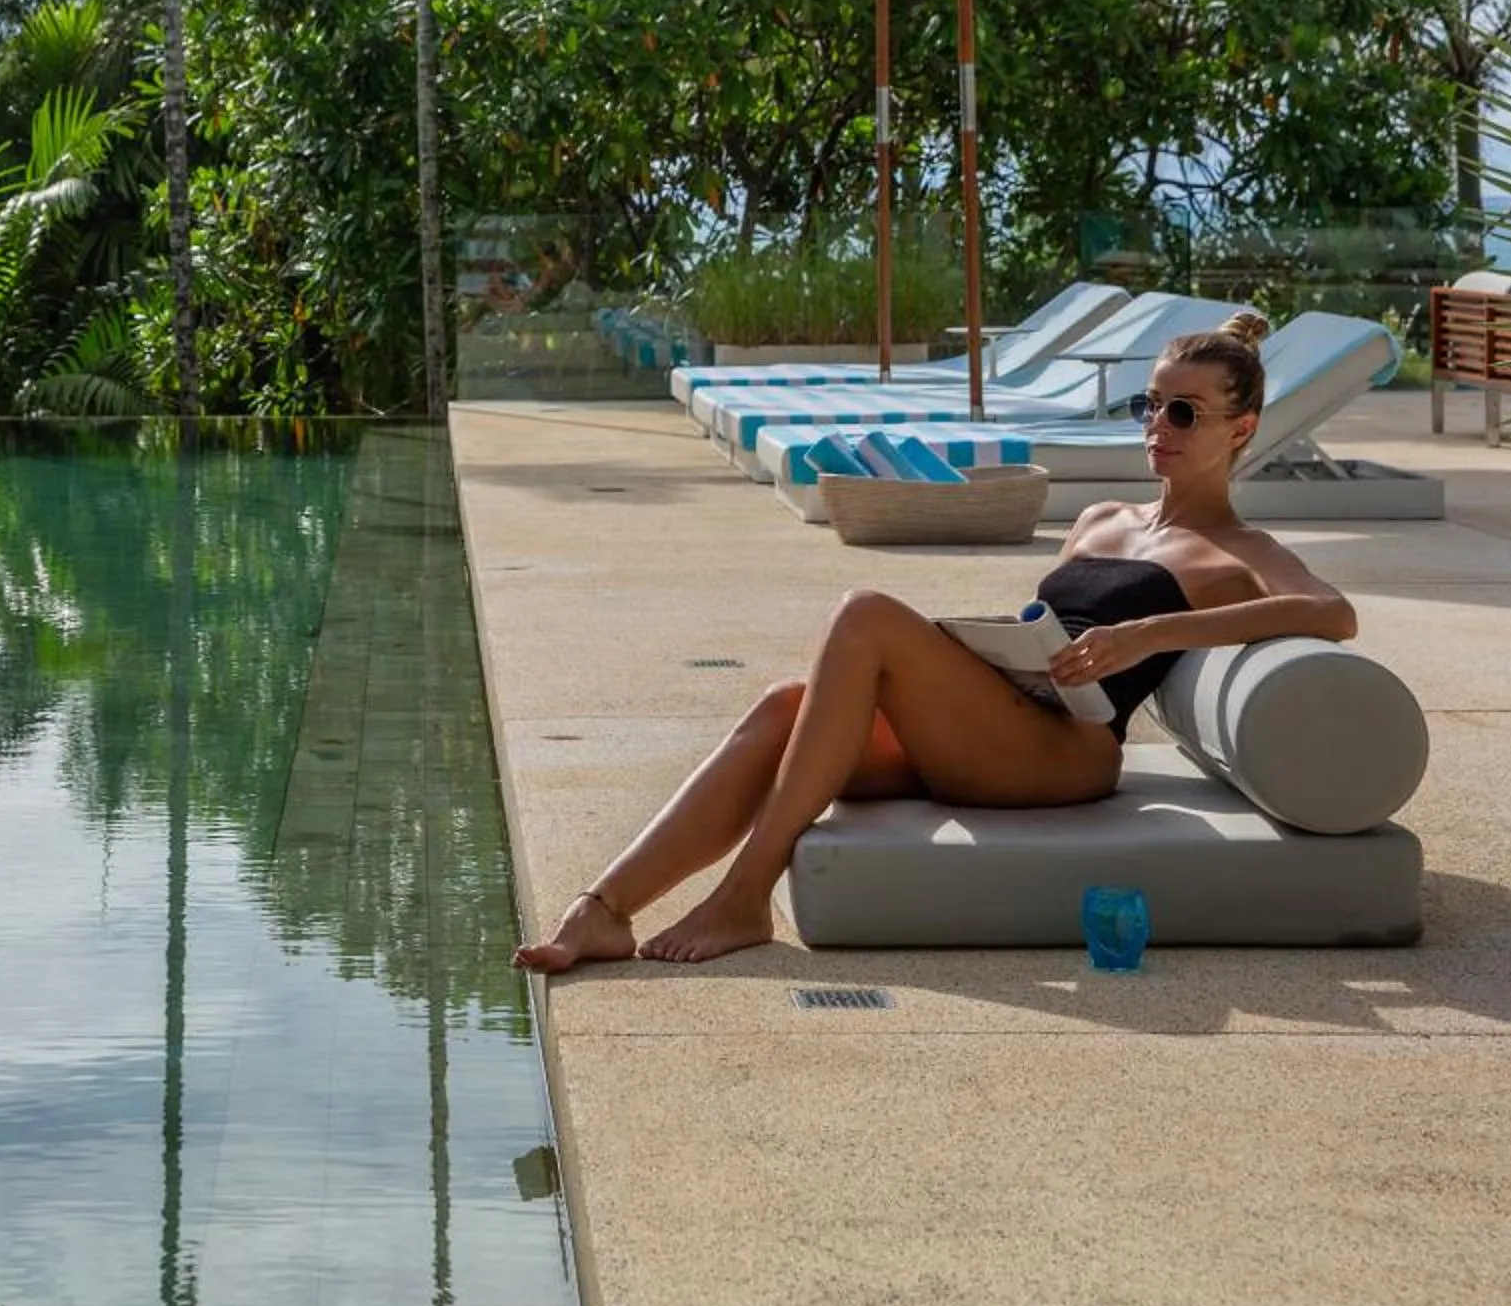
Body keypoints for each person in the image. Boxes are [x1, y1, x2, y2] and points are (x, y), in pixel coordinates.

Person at [512, 311, 1357, 972]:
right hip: (1010, 717)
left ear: (1240, 429)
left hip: (1070, 753)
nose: (1157, 426)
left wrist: (1152, 632)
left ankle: (744, 895)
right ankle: (605, 910)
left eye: (1184, 412)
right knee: (784, 707)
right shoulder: (1103, 520)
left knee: (865, 611)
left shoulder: (1239, 553)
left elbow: (1330, 614)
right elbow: (1047, 626)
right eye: (1149, 405)